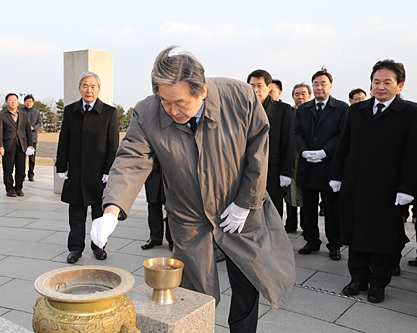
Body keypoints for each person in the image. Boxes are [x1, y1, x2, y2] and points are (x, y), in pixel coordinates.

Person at [90, 47, 295, 333]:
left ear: (203, 91)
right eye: (165, 101)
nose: (172, 110)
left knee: (247, 280)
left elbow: (258, 148)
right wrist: (112, 210)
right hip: (188, 214)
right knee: (193, 294)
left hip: (237, 208)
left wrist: (246, 201)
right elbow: (131, 160)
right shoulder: (148, 112)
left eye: (180, 103)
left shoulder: (239, 97)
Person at [330, 59, 417, 303]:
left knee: (381, 238)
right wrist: (336, 175)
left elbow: (413, 154)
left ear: (399, 85)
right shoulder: (357, 111)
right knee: (356, 234)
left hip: (387, 189)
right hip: (355, 185)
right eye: (376, 82)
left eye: (387, 82)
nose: (380, 87)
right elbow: (343, 145)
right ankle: (358, 278)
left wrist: (407, 188)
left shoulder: (410, 112)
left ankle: (379, 283)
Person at [56, 72, 119, 264]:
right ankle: (75, 248)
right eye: (85, 86)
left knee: (99, 214)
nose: (88, 90)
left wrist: (108, 170)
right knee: (76, 215)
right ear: (79, 88)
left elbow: (112, 145)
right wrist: (61, 165)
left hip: (98, 174)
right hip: (76, 172)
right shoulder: (70, 111)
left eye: (92, 86)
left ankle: (99, 246)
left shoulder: (109, 112)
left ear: (99, 89)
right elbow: (63, 140)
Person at [295, 67, 349, 261]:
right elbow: (297, 133)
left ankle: (334, 244)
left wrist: (324, 152)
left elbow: (342, 135)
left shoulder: (342, 108)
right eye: (315, 84)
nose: (319, 87)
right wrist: (304, 151)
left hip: (329, 167)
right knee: (308, 208)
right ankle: (311, 240)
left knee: (332, 209)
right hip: (307, 166)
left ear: (330, 85)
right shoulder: (303, 109)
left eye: (323, 83)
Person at [247, 70, 294, 218]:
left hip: (273, 169)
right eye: (252, 85)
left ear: (269, 87)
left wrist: (286, 172)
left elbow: (288, 142)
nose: (255, 90)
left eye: (259, 85)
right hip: (248, 169)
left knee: (272, 211)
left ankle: (274, 240)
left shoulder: (283, 110)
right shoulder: (243, 109)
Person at [284, 83, 311, 233]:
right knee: (290, 194)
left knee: (306, 195)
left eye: (303, 94)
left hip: (308, 159)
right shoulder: (290, 113)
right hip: (292, 158)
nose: (300, 97)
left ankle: (306, 226)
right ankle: (291, 223)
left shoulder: (313, 113)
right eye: (297, 94)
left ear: (309, 95)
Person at [0, 93, 33, 197]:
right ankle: (10, 189)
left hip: (21, 145)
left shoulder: (23, 115)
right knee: (8, 169)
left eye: (15, 100)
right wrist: (0, 146)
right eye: (10, 100)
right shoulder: (2, 116)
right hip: (8, 146)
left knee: (21, 169)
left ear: (18, 102)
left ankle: (19, 188)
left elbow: (28, 131)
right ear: (6, 102)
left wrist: (30, 145)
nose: (13, 102)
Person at [141, 158, 173, 251]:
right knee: (153, 203)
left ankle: (172, 239)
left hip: (171, 169)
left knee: (171, 205)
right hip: (153, 168)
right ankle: (155, 237)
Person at [18, 94, 42, 182]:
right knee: (21, 158)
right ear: (24, 102)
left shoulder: (36, 112)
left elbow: (39, 123)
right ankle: (22, 175)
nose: (29, 103)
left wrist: (33, 127)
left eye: (30, 101)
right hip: (22, 137)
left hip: (33, 138)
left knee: (32, 158)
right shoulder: (20, 110)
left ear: (33, 103)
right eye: (27, 101)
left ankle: (31, 174)